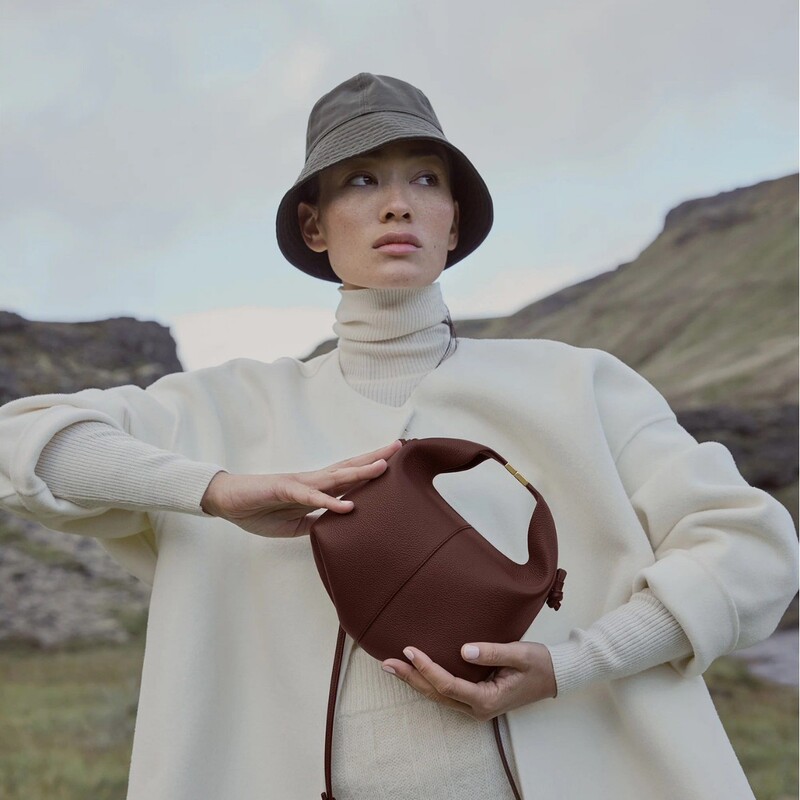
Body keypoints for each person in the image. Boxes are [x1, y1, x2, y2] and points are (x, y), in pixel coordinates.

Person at [0, 72, 795, 800]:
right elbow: (23, 444)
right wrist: (216, 490)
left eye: (425, 179)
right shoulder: (223, 409)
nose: (397, 204)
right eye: (361, 180)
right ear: (314, 225)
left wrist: (572, 664)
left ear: (454, 222)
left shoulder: (581, 386)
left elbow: (752, 547)